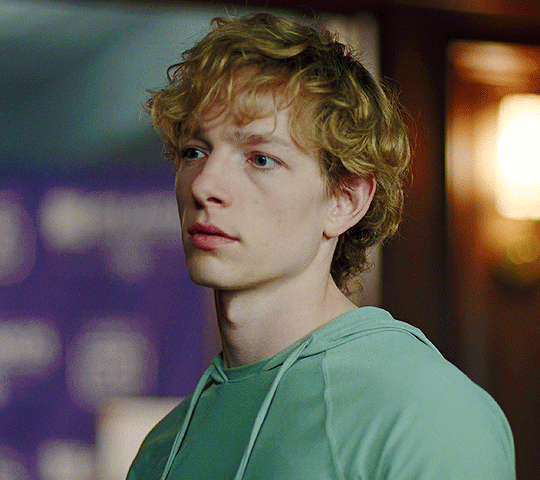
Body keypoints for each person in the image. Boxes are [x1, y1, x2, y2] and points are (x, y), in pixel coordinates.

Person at [127, 12, 515, 480]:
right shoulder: (163, 447)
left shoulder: (424, 413)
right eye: (195, 151)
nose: (205, 184)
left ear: (344, 201)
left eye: (261, 159)